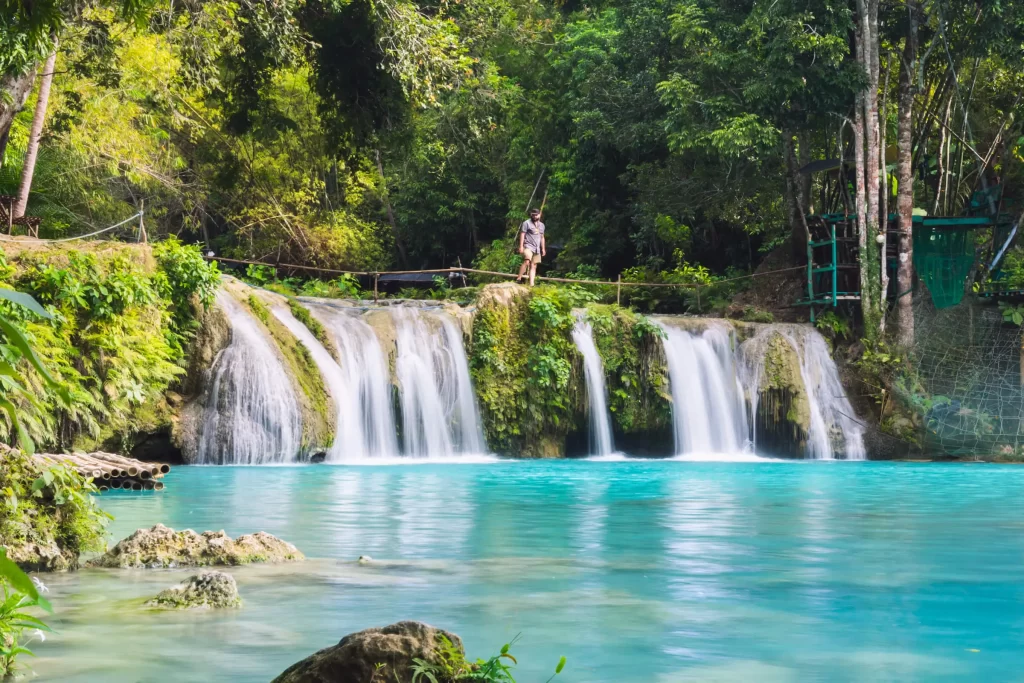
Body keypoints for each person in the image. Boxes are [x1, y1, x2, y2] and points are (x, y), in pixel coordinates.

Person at [516, 208, 546, 286]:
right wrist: (521, 246)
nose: (534, 216)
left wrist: (543, 248)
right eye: (533, 215)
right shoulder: (526, 223)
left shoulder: (542, 225)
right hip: (528, 246)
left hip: (537, 248)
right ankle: (519, 278)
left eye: (536, 215)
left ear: (539, 215)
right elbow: (522, 234)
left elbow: (542, 237)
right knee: (527, 261)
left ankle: (531, 284)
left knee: (534, 265)